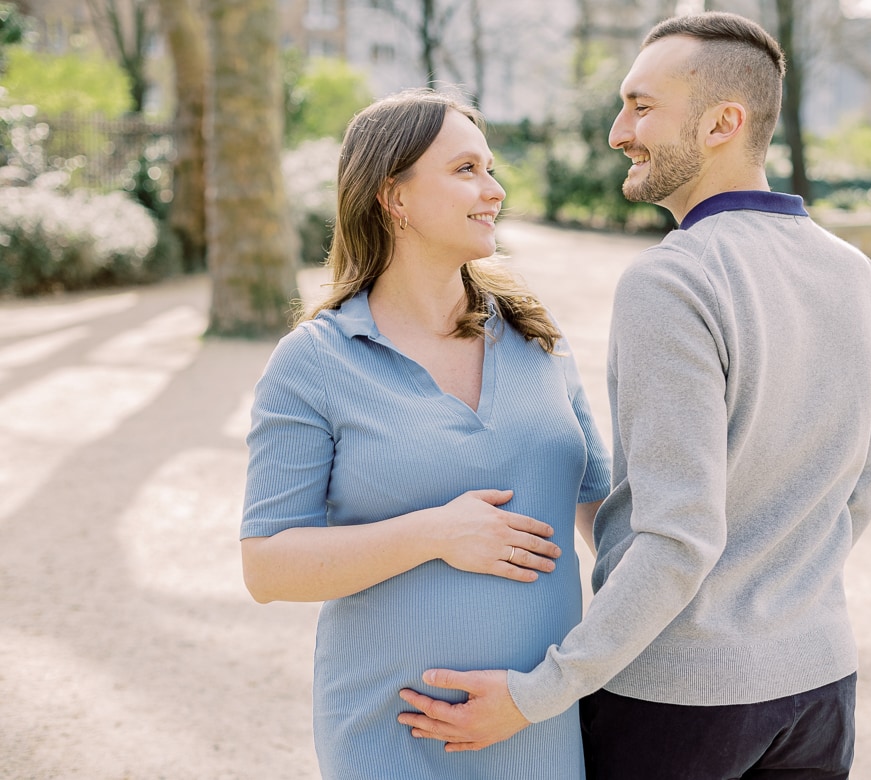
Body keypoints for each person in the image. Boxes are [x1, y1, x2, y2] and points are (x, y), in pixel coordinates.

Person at [397, 12, 871, 779]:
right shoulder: (855, 275)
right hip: (820, 686)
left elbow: (677, 536)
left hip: (681, 703)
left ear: (722, 124)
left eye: (641, 106)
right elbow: (856, 497)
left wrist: (540, 693)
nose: (616, 131)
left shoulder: (675, 279)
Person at [239, 88, 610, 779]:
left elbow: (606, 514)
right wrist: (435, 534)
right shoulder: (314, 361)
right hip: (391, 736)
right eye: (466, 170)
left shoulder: (536, 336)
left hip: (538, 727)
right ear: (393, 196)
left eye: (491, 169)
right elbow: (267, 566)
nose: (494, 190)